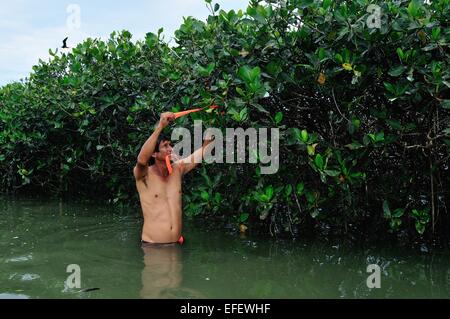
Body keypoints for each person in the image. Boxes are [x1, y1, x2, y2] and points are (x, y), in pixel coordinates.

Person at [133, 112, 214, 244]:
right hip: (153, 247)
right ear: (154, 153)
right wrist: (160, 126)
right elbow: (141, 160)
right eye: (165, 146)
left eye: (170, 145)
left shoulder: (178, 169)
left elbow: (205, 149)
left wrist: (211, 120)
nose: (171, 149)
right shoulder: (144, 175)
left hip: (176, 244)